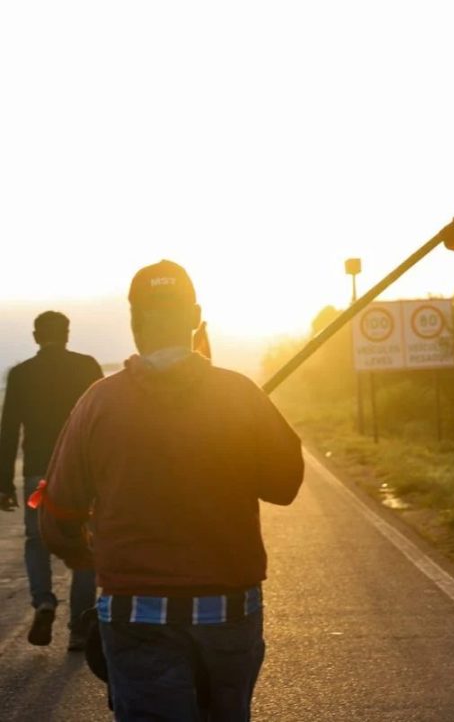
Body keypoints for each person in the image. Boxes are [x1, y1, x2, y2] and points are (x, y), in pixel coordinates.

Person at [38, 260, 304, 721]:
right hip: (230, 610)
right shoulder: (239, 394)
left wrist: (92, 559)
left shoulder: (99, 402)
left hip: (134, 612)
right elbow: (285, 484)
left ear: (135, 321)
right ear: (195, 316)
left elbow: (58, 517)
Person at [0, 311, 102, 650]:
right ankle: (80, 626)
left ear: (35, 336)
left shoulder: (21, 374)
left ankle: (44, 600)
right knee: (84, 545)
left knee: (37, 539)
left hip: (37, 472)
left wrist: (3, 483)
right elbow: (105, 421)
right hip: (82, 471)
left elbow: (8, 430)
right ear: (68, 334)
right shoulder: (87, 368)